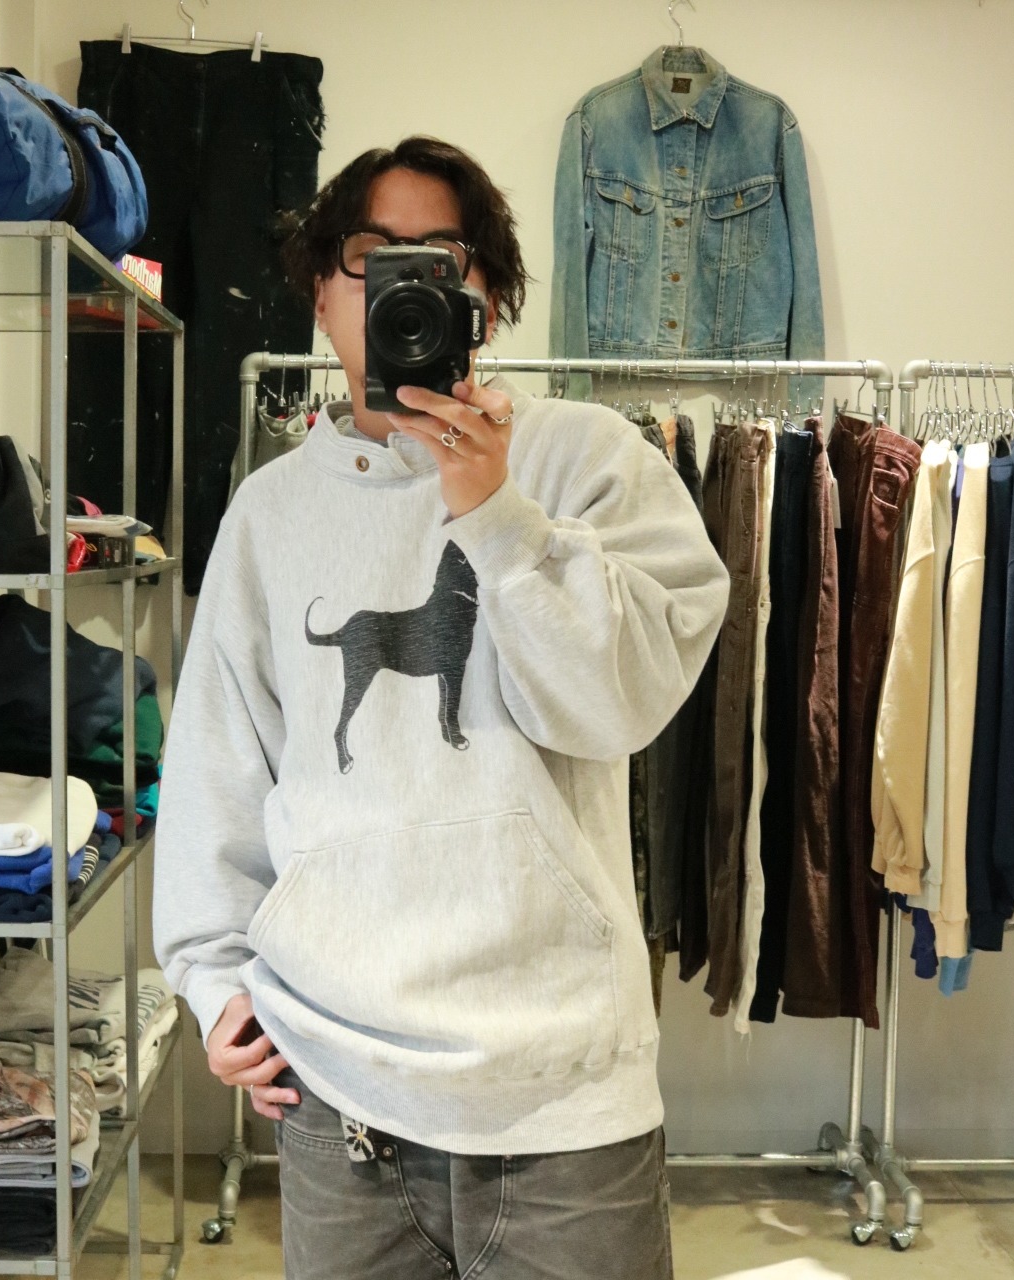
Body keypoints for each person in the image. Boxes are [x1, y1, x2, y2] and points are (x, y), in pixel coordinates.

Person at [154, 136, 729, 1280]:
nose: (401, 286)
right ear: (321, 291)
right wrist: (213, 981)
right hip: (333, 1079)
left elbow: (618, 704)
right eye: (372, 255)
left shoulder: (585, 459)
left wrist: (495, 512)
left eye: (439, 258)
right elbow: (221, 758)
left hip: (561, 1085)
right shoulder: (269, 511)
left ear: (486, 298)